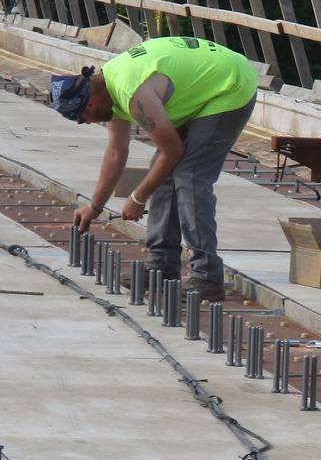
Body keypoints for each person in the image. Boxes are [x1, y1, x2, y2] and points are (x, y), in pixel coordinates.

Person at [50, 35, 259, 302]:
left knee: (189, 175)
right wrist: (95, 206)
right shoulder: (107, 92)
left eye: (83, 119)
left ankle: (207, 276)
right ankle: (161, 265)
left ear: (90, 104)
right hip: (199, 86)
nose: (87, 123)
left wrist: (138, 198)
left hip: (230, 84)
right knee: (159, 170)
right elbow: (116, 152)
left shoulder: (131, 94)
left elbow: (173, 152)